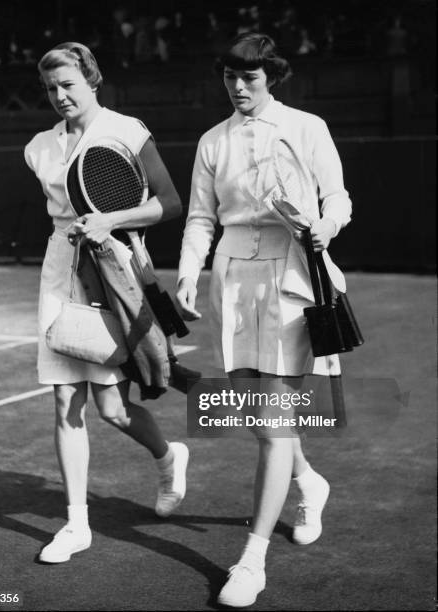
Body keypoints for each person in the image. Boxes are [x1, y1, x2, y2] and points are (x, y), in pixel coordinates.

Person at [176, 33, 351, 607]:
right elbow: (201, 217)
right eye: (230, 77)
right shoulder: (212, 141)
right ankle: (308, 480)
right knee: (255, 410)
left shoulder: (307, 126)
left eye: (249, 78)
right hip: (232, 276)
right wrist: (186, 276)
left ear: (270, 77)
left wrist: (328, 224)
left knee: (275, 419)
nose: (238, 87)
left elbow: (338, 196)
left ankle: (251, 561)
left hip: (295, 274)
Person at [24, 42, 189, 564]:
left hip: (116, 268)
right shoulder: (38, 148)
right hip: (61, 270)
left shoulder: (127, 130)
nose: (59, 95)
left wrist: (110, 222)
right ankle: (76, 525)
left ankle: (168, 457)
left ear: (92, 80)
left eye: (68, 84)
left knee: (113, 409)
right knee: (63, 400)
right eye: (51, 88)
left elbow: (170, 203)